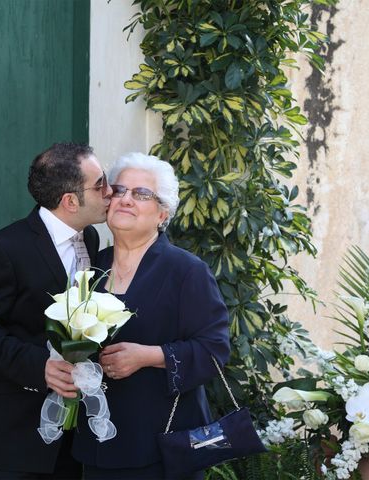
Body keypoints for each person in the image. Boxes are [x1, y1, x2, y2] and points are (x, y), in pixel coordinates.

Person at [71, 152, 231, 480]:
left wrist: (149, 356)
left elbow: (215, 351)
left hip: (163, 448)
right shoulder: (89, 269)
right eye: (119, 191)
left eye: (142, 194)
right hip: (100, 443)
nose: (127, 199)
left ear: (163, 213)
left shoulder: (186, 271)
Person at [0, 142, 112, 479]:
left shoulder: (89, 238)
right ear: (70, 201)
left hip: (73, 430)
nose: (110, 191)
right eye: (100, 183)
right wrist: (39, 366)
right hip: (17, 426)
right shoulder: (3, 249)